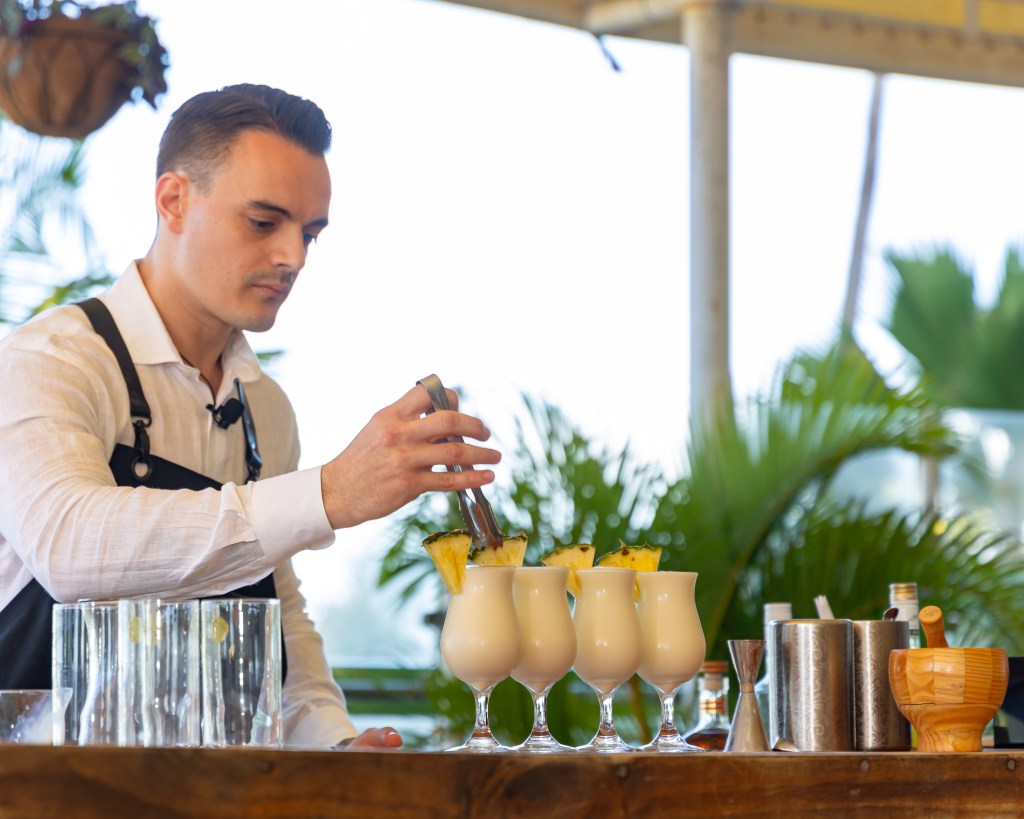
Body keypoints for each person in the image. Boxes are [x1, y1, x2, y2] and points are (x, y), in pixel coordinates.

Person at [0, 84, 501, 749]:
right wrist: (328, 493)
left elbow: (279, 613)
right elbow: (71, 546)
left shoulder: (265, 410)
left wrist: (332, 743)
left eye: (310, 233)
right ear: (173, 200)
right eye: (264, 222)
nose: (293, 256)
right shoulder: (53, 360)